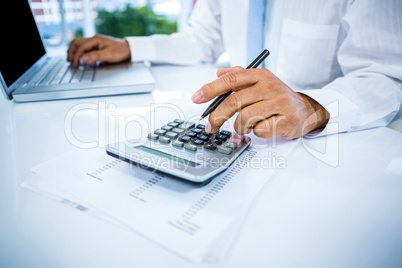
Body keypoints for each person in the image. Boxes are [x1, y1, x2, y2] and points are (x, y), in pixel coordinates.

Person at [67, 0, 402, 139]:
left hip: (319, 152)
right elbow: (201, 38)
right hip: (241, 139)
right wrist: (131, 46)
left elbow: (386, 75)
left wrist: (311, 107)